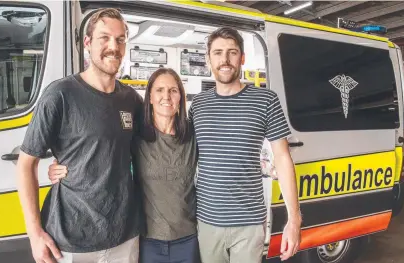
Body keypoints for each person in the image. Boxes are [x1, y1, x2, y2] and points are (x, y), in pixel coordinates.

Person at [16, 8, 143, 263]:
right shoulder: (60, 95)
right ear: (87, 43)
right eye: (104, 38)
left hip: (125, 236)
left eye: (120, 40)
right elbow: (25, 165)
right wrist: (34, 233)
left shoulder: (132, 100)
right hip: (70, 239)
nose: (113, 47)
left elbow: (144, 152)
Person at [48, 68, 200, 263]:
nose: (166, 96)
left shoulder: (192, 136)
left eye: (173, 90)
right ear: (150, 98)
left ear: (181, 96)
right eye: (159, 90)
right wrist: (62, 166)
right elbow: (102, 151)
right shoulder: (136, 136)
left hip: (187, 240)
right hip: (148, 241)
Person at [188, 27, 302, 263]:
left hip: (249, 225)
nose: (225, 60)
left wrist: (294, 220)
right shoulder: (197, 106)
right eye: (218, 53)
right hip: (208, 222)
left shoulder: (266, 100)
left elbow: (282, 158)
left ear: (242, 58)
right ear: (209, 59)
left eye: (232, 52)